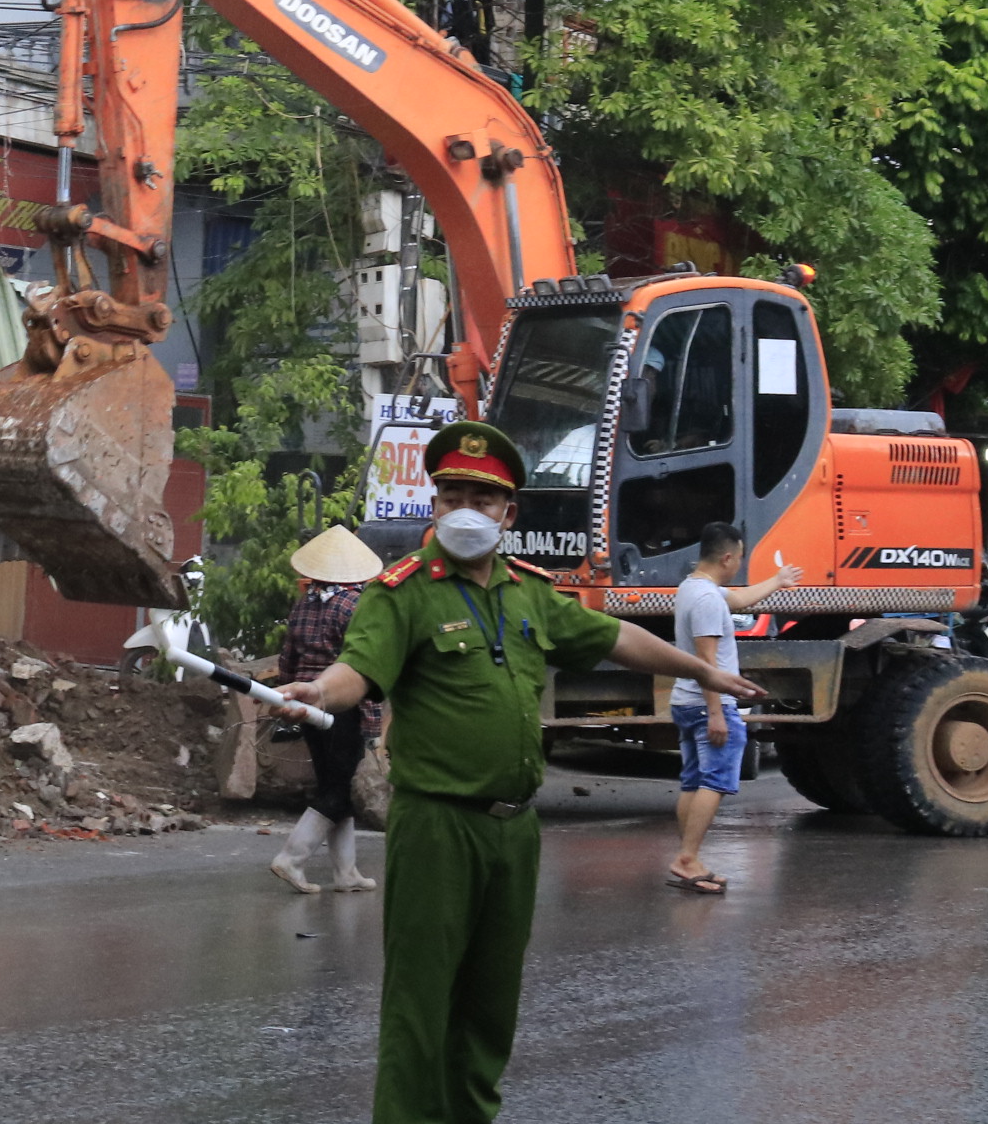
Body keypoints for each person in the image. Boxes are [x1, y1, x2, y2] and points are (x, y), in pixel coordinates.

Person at [278, 421, 765, 1124]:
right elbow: (359, 670)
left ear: (510, 514)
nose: (465, 509)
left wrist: (703, 669)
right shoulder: (402, 593)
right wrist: (319, 691)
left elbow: (616, 637)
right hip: (438, 824)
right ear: (433, 505)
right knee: (420, 1003)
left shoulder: (531, 592)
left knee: (489, 1007)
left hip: (514, 830)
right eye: (451, 496)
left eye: (483, 497)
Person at [667, 520, 801, 895]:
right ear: (727, 557)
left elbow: (740, 600)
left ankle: (688, 857)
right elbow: (707, 664)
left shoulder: (693, 588)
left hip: (685, 701)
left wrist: (779, 580)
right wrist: (716, 713)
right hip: (708, 703)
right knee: (716, 781)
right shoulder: (708, 600)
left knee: (694, 780)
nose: (739, 566)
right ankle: (687, 858)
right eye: (739, 559)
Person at [272, 522, 385, 894]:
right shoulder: (355, 605)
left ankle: (346, 871)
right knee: (343, 789)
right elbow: (362, 666)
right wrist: (373, 719)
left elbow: (288, 659)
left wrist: (284, 697)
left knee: (334, 784)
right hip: (342, 708)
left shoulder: (304, 604)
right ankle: (292, 858)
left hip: (306, 706)